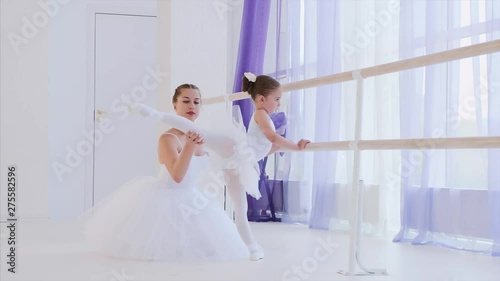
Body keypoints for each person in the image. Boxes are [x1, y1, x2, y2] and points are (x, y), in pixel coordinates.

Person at [84, 84, 250, 262]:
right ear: (174, 105)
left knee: (207, 248)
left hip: (191, 197)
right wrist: (188, 146)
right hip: (166, 196)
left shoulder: (202, 137)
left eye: (196, 102)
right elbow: (177, 176)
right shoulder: (168, 139)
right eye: (185, 101)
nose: (192, 106)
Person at [241, 72, 310, 160]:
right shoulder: (260, 114)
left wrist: (278, 146)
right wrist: (297, 147)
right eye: (277, 99)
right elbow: (273, 137)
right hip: (244, 157)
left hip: (248, 160)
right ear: (262, 99)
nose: (279, 104)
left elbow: (265, 147)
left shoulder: (262, 115)